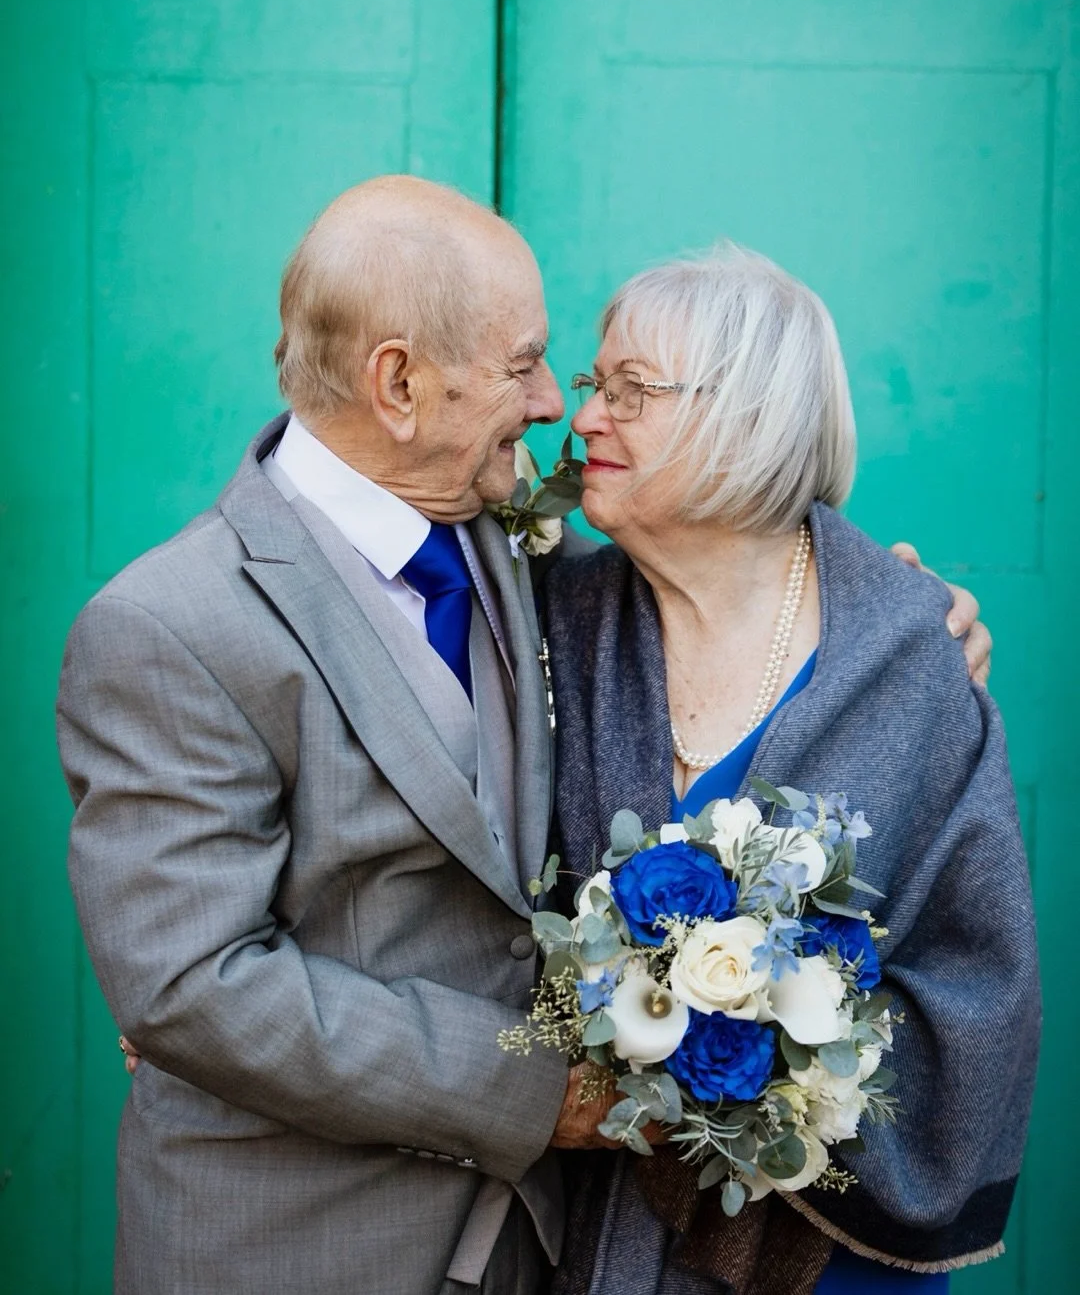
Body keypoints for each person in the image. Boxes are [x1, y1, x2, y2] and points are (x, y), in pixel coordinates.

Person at [61, 176, 988, 1295]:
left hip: (544, 1249)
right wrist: (541, 1095)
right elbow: (192, 988)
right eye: (524, 366)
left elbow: (730, 556)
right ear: (397, 385)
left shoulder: (518, 549)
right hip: (300, 1239)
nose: (555, 401)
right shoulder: (169, 626)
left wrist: (897, 616)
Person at [542, 245, 1037, 1295]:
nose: (584, 418)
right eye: (593, 386)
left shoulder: (905, 653)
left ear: (748, 416)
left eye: (630, 391)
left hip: (830, 1260)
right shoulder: (553, 623)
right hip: (586, 1225)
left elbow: (975, 971)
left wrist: (787, 1066)